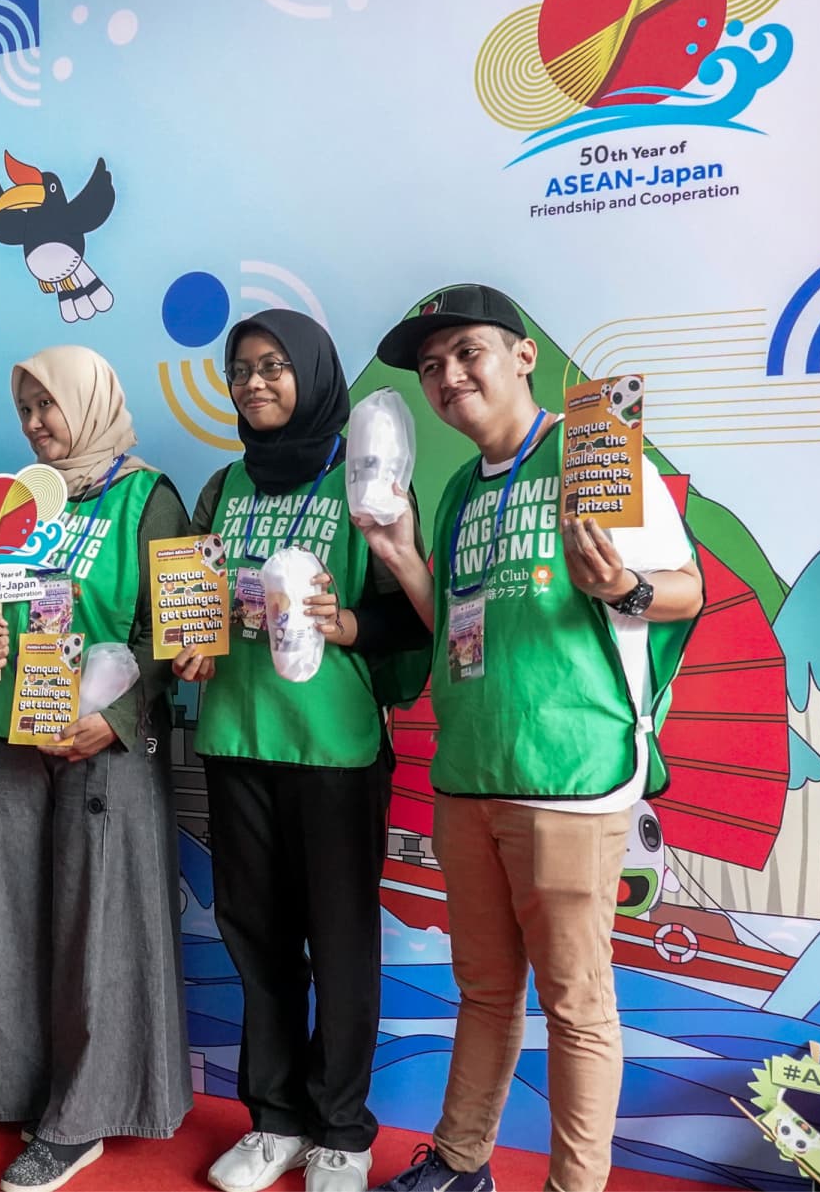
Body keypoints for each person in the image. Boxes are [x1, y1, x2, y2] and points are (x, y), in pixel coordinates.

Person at [361, 284, 703, 1192]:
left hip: (570, 777)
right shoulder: (455, 496)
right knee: (483, 990)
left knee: (579, 1007)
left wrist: (625, 587)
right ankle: (463, 1162)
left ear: (523, 356)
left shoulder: (594, 455)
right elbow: (454, 635)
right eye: (431, 367)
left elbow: (685, 589)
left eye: (466, 352)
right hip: (469, 775)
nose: (447, 376)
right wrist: (401, 558)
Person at [171, 310, 428, 1192]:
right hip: (238, 737)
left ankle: (344, 1131)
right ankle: (274, 1117)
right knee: (257, 938)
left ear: (314, 372)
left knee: (343, 942)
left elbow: (411, 607)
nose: (255, 383)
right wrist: (192, 645)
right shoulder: (223, 486)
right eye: (240, 369)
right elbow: (194, 604)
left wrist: (350, 622)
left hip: (336, 749)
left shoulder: (365, 481)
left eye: (275, 366)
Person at [0, 345, 193, 1192]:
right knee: (12, 915)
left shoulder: (148, 496)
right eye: (25, 410)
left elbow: (174, 631)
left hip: (106, 738)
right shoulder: (19, 501)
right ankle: (27, 1087)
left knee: (101, 924)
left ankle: (81, 1117)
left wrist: (117, 717)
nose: (35, 425)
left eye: (48, 406)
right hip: (14, 731)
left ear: (90, 402)